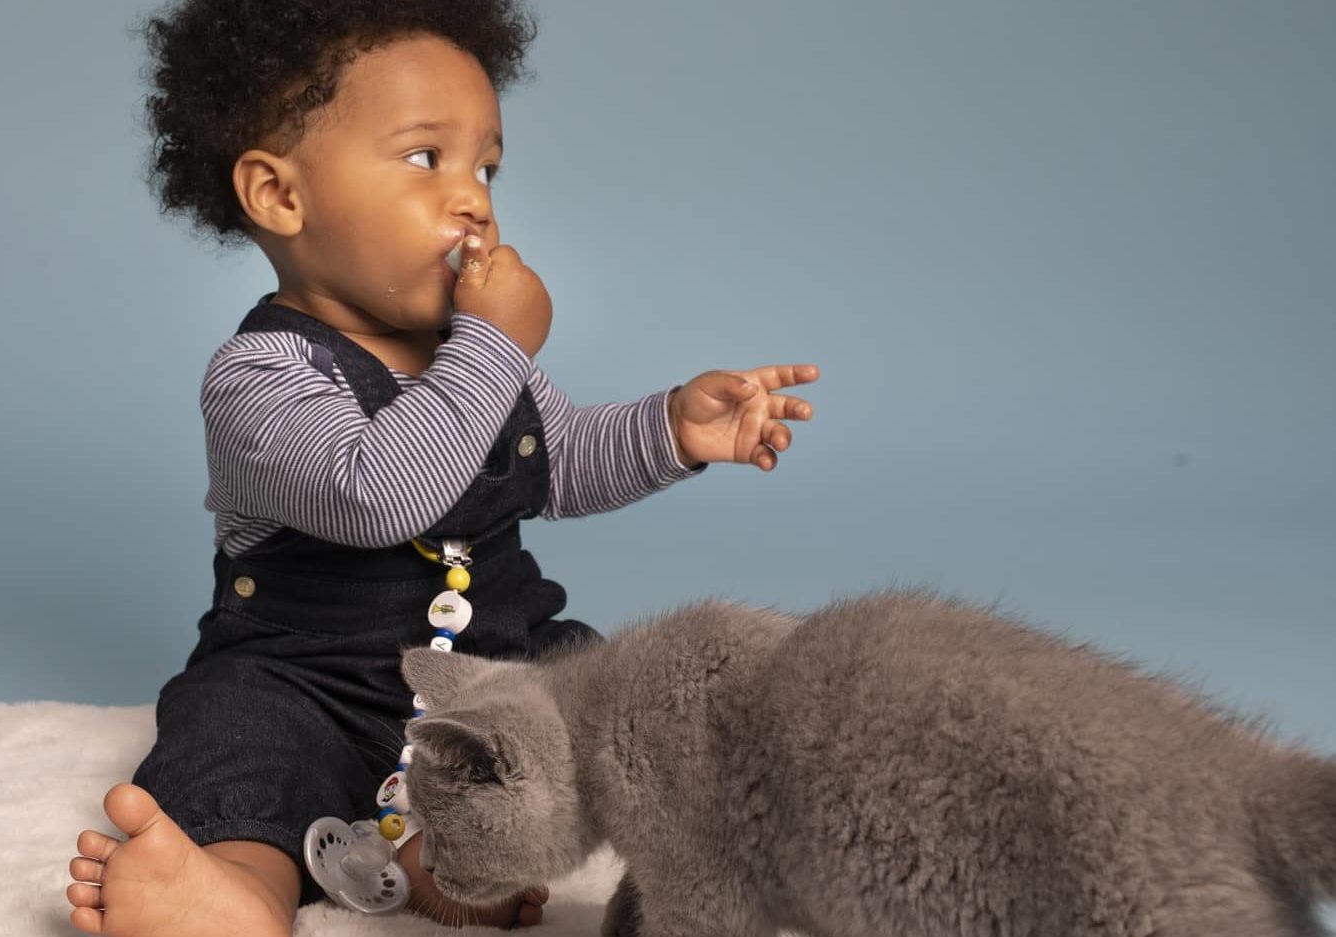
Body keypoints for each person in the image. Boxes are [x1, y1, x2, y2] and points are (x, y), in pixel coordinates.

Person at [65, 2, 819, 934]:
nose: (474, 198)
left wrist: (671, 429)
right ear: (280, 195)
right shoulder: (259, 375)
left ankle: (482, 855)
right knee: (239, 748)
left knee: (604, 703)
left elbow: (561, 463)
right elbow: (377, 490)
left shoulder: (468, 355)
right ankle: (232, 889)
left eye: (487, 166)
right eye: (428, 159)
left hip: (493, 675)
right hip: (312, 688)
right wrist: (493, 346)